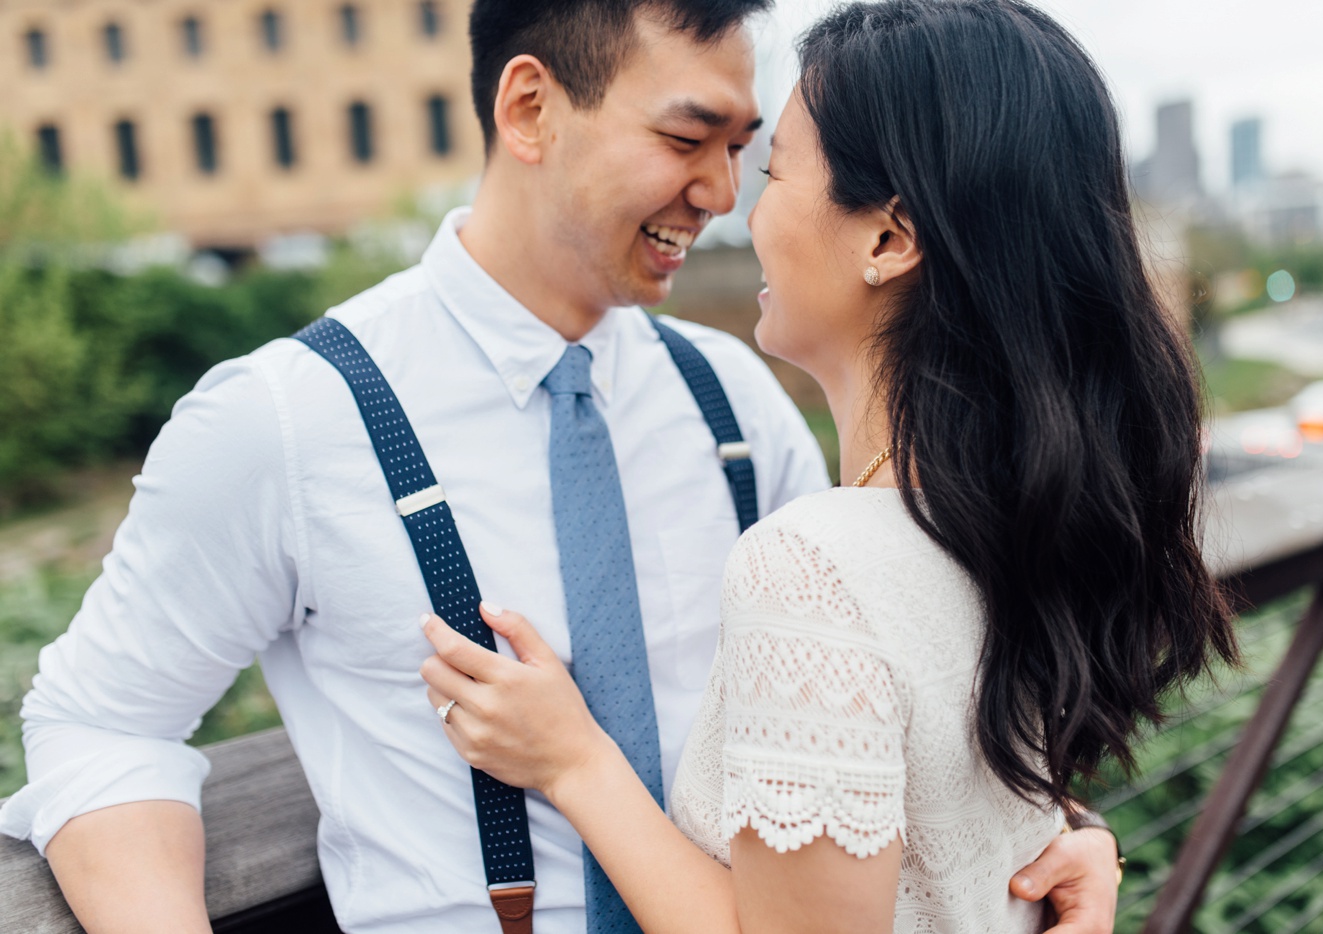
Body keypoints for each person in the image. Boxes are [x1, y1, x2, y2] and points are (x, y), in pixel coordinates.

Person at [0, 1, 1122, 931]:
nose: (723, 195)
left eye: (743, 149)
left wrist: (1048, 827)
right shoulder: (284, 419)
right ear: (530, 109)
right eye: (686, 142)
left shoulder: (728, 394)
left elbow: (874, 684)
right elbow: (100, 719)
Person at [415, 0, 1241, 932]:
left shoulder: (811, 568)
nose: (740, 206)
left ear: (887, 240)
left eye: (771, 170)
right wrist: (1080, 830)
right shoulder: (1018, 515)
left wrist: (573, 762)